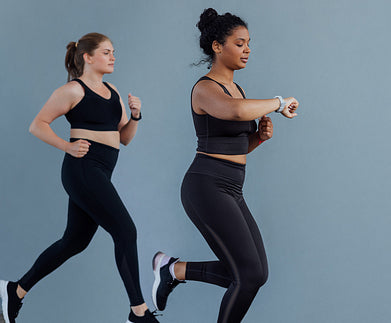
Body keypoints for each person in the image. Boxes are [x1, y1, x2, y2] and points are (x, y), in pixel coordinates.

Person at [151, 8, 299, 323]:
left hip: (232, 187)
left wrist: (257, 139)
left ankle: (173, 271)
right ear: (218, 46)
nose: (247, 50)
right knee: (246, 276)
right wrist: (279, 102)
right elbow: (234, 112)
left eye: (248, 44)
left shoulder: (237, 90)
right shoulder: (205, 88)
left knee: (255, 275)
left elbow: (234, 143)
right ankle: (172, 271)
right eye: (239, 43)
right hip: (205, 186)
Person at [0, 33, 159, 323]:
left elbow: (124, 139)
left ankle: (15, 291)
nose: (113, 57)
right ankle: (138, 312)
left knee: (74, 242)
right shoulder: (73, 90)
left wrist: (135, 115)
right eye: (107, 52)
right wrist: (67, 146)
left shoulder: (113, 91)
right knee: (125, 231)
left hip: (100, 172)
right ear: (88, 57)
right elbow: (37, 125)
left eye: (114, 52)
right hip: (83, 169)